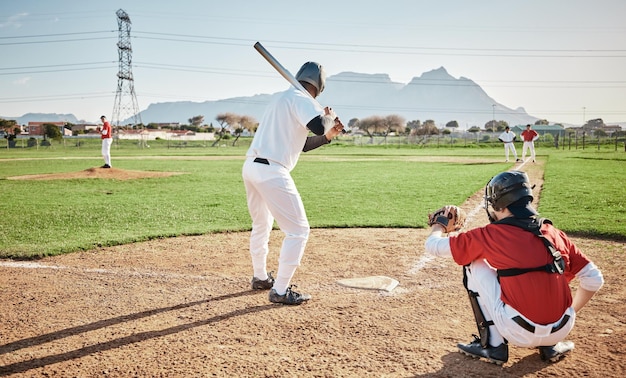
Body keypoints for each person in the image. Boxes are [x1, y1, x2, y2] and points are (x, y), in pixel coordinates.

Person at [424, 170, 604, 365]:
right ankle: (550, 345)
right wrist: (570, 312)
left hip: (519, 332)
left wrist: (439, 225)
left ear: (498, 204)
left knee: (472, 260)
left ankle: (494, 346)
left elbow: (433, 247)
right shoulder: (553, 232)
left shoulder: (491, 234)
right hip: (562, 328)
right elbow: (595, 279)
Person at [242, 61, 345, 305]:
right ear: (320, 87)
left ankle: (260, 277)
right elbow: (318, 125)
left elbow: (303, 144)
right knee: (299, 231)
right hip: (272, 171)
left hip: (252, 167)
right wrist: (328, 118)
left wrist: (328, 136)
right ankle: (280, 290)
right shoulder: (302, 99)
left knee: (262, 225)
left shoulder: (282, 99)